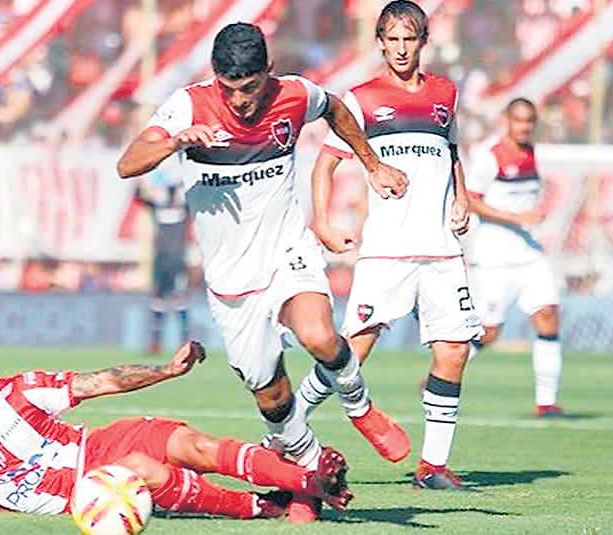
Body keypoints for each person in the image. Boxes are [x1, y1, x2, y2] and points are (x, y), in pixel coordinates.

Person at [116, 22, 411, 521]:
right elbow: (128, 163)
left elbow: (336, 108)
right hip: (231, 282)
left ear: (268, 74)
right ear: (215, 79)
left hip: (286, 251)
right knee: (272, 397)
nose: (240, 102)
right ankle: (310, 473)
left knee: (320, 336)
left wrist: (372, 163)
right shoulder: (189, 106)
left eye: (250, 89)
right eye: (229, 90)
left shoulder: (295, 95)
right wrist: (174, 142)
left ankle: (362, 408)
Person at [0, 337, 353, 520]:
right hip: (76, 493)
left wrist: (166, 371)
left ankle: (308, 481)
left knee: (191, 443)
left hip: (97, 444)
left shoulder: (15, 391)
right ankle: (268, 507)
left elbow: (99, 382)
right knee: (146, 471)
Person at [305, 1, 482, 491]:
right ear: (379, 42)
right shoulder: (360, 99)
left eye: (411, 39)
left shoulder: (446, 93)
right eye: (392, 39)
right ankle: (286, 429)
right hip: (387, 250)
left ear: (423, 42)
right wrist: (322, 222)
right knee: (350, 352)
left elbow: (451, 152)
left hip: (442, 249)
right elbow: (324, 166)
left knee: (454, 350)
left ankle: (432, 467)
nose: (401, 48)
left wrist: (461, 197)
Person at [465, 98, 564, 418]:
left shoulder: (532, 152)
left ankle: (546, 402)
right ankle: (441, 374)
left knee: (548, 314)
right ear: (507, 119)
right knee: (490, 332)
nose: (525, 126)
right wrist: (515, 218)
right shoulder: (489, 155)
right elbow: (471, 200)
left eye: (530, 121)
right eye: (519, 120)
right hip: (494, 257)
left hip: (530, 254)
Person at [135, 164, 191, 354]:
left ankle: (184, 342)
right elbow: (139, 197)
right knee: (160, 299)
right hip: (163, 260)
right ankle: (156, 341)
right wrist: (140, 181)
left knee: (178, 300)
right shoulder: (161, 208)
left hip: (176, 261)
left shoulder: (182, 209)